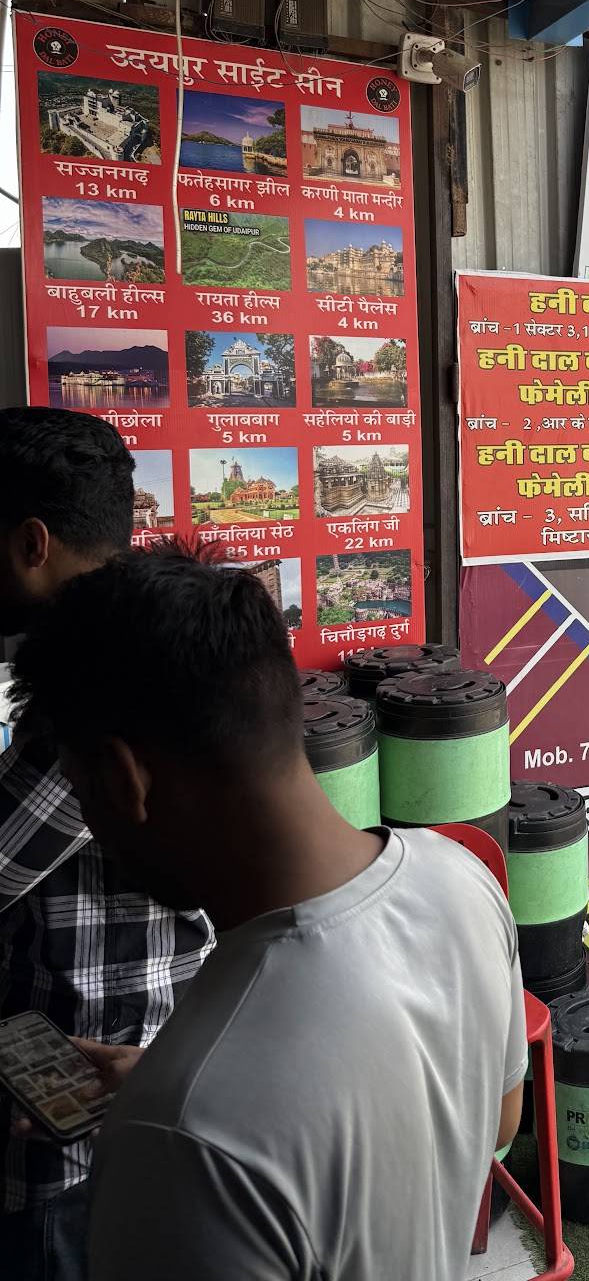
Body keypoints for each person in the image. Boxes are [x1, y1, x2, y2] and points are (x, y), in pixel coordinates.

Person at [11, 544, 526, 1281]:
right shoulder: (465, 883)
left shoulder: (176, 1135)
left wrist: (199, 1100)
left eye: (81, 792)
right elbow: (494, 1122)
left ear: (126, 778)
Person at [0, 409, 213, 1281]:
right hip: (145, 1070)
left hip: (87, 1107)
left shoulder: (99, 680)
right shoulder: (151, 634)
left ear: (31, 543)